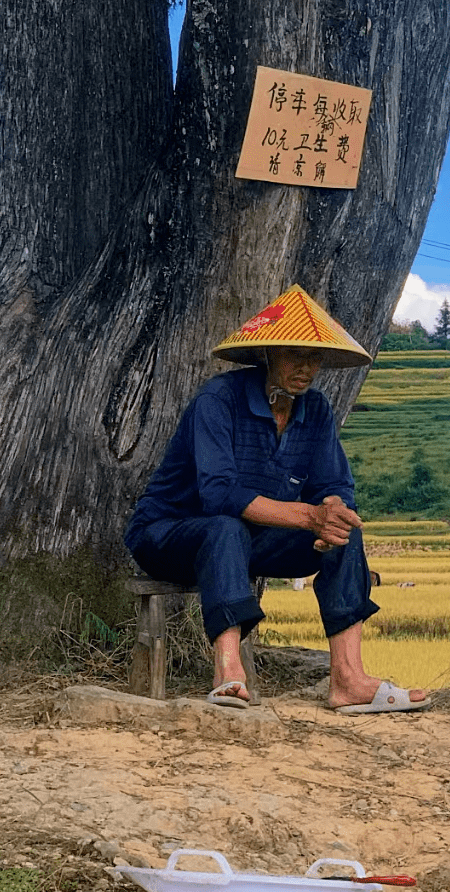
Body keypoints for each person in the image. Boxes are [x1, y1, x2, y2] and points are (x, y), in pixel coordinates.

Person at [124, 284, 429, 714]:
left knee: (344, 533)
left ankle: (348, 678)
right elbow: (218, 494)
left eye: (314, 357)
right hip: (169, 535)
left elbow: (334, 486)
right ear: (268, 353)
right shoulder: (219, 400)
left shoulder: (316, 411)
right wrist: (309, 517)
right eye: (294, 355)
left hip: (251, 540)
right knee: (224, 527)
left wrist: (333, 515)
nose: (305, 367)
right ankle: (228, 670)